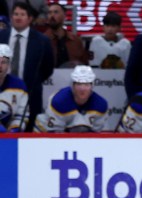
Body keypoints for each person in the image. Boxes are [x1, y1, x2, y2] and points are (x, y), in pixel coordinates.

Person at [0, 1, 54, 132]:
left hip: (31, 95)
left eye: (22, 14)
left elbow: (48, 68)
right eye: (16, 14)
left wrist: (31, 83)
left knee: (29, 133)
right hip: (4, 95)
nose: (18, 17)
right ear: (11, 17)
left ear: (30, 18)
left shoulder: (42, 41)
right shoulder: (1, 36)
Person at [34, 65, 108, 133]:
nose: (82, 89)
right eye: (78, 84)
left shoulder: (100, 105)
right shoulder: (59, 101)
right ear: (72, 85)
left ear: (92, 86)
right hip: (45, 134)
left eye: (86, 84)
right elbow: (54, 135)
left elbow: (96, 135)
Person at [43, 3, 89, 67]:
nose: (52, 15)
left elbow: (84, 65)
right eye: (49, 13)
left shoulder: (76, 41)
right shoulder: (42, 41)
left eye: (56, 12)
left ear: (65, 16)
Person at [0, 43, 28, 132]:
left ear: (8, 65)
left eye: (3, 62)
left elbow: (21, 115)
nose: (0, 66)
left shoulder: (19, 86)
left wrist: (14, 130)